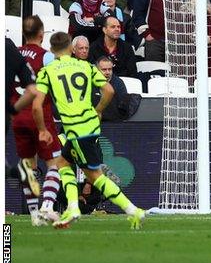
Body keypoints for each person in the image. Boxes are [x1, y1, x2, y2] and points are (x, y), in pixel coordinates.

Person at [32, 31, 146, 229]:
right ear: (70, 48)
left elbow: (36, 105)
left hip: (77, 129)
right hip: (90, 125)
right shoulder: (85, 66)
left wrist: (42, 129)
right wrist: (99, 110)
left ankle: (132, 210)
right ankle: (73, 206)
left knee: (94, 176)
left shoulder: (47, 71)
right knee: (63, 162)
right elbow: (109, 90)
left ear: (51, 50)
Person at [11, 16, 61, 226]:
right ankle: (47, 206)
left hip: (17, 117)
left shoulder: (13, 55)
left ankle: (33, 215)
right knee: (54, 164)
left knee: (28, 167)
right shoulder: (47, 57)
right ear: (42, 34)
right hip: (39, 115)